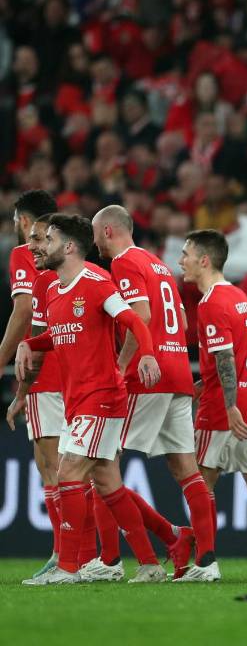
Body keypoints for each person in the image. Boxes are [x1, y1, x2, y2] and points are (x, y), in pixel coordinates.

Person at [15, 214, 165, 585]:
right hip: (77, 400)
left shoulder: (98, 284)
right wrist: (29, 343)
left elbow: (134, 321)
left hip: (102, 396)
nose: (41, 246)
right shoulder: (52, 290)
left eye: (48, 239)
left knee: (68, 472)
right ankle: (150, 564)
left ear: (68, 247)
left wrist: (145, 354)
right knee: (109, 485)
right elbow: (60, 335)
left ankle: (68, 567)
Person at [91, 205, 213, 581]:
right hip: (177, 370)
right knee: (185, 470)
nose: (94, 240)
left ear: (109, 231)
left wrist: (122, 365)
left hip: (148, 374)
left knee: (99, 463)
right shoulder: (157, 264)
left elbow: (139, 316)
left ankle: (110, 560)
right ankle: (203, 557)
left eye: (96, 232)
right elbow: (183, 320)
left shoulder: (125, 263)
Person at [178, 229, 247, 583]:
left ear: (204, 260)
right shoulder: (240, 297)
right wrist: (208, 383)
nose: (181, 260)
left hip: (224, 409)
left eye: (186, 253)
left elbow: (226, 359)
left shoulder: (212, 302)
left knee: (199, 482)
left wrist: (229, 404)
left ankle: (205, 562)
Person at [1, 190, 58, 578]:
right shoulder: (72, 252)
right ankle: (91, 556)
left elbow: (23, 312)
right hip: (79, 366)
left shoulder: (27, 253)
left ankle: (68, 556)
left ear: (23, 221)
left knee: (51, 466)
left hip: (47, 367)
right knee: (90, 469)